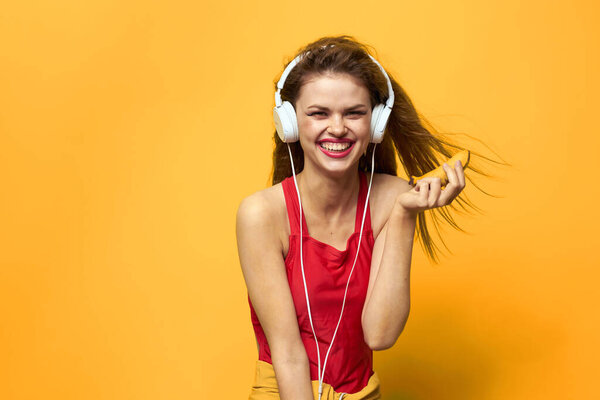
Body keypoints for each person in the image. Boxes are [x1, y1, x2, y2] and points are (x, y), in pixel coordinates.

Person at [237, 35, 480, 400]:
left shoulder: (393, 197)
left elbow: (379, 334)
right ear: (288, 123)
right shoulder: (260, 215)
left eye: (354, 113)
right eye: (319, 113)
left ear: (376, 124)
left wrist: (403, 213)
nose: (337, 128)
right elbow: (288, 356)